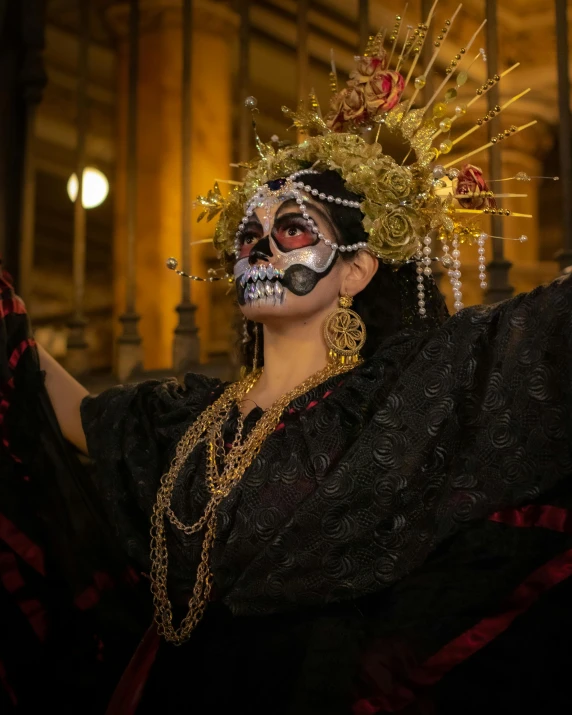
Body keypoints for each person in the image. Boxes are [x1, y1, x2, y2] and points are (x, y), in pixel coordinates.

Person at [3, 13, 572, 715]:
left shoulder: (395, 400)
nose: (260, 247)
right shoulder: (184, 420)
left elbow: (539, 345)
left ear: (357, 271)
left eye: (293, 229)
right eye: (249, 232)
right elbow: (43, 396)